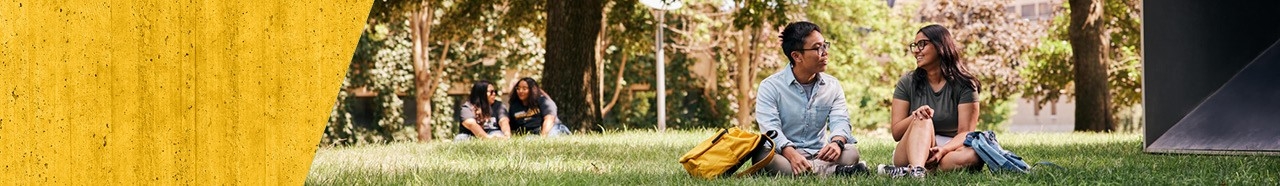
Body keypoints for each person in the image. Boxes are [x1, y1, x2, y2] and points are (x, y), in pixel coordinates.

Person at [751, 21, 868, 176]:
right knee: (766, 158)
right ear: (797, 56)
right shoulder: (770, 86)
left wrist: (837, 143)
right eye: (817, 48)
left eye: (825, 45)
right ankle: (835, 171)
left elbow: (840, 120)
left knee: (851, 152)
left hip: (818, 153)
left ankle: (812, 170)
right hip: (783, 154)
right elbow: (771, 129)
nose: (825, 52)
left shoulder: (832, 86)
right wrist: (792, 154)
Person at [880, 24, 983, 178]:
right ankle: (918, 170)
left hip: (949, 149)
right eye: (914, 45)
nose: (916, 51)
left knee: (975, 156)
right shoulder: (907, 82)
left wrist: (944, 150)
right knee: (923, 118)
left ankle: (912, 171)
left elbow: (965, 133)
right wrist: (915, 116)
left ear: (940, 46)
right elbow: (896, 132)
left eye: (922, 44)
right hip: (911, 147)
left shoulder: (965, 85)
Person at [507, 77, 571, 137]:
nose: (520, 91)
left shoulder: (543, 101)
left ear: (532, 90)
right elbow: (512, 126)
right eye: (518, 88)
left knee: (552, 136)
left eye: (524, 88)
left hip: (553, 128)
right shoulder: (514, 106)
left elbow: (549, 119)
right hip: (533, 133)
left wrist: (543, 138)